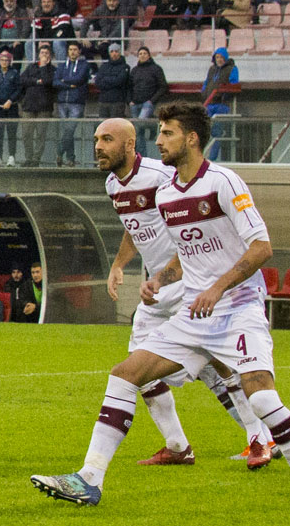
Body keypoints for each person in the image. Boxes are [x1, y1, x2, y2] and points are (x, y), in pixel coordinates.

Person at [35, 103, 290, 512]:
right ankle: (89, 479)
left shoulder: (223, 182)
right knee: (124, 375)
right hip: (194, 313)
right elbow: (183, 253)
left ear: (191, 139)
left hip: (239, 308)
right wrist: (160, 278)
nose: (158, 141)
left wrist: (216, 288)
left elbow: (262, 247)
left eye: (167, 133)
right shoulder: (168, 193)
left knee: (262, 398)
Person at [89, 115, 274, 474]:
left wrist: (184, 272)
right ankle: (179, 445)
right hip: (159, 287)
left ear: (130, 144)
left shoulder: (161, 176)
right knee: (139, 368)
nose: (98, 146)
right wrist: (119, 265)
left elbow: (195, 221)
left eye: (107, 139)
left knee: (218, 361)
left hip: (188, 281)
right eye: (97, 139)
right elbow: (134, 228)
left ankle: (259, 437)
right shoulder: (113, 184)